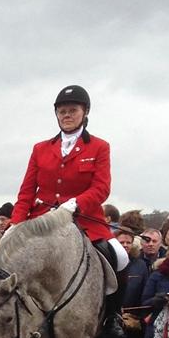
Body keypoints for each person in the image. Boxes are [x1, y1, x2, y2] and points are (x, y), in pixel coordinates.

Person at [10, 85, 130, 274]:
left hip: (83, 220)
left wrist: (74, 204)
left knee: (121, 258)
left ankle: (113, 305)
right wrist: (15, 224)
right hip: (42, 219)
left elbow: (101, 188)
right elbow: (26, 191)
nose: (67, 115)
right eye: (62, 111)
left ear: (85, 112)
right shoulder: (40, 149)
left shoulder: (99, 147)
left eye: (73, 111)